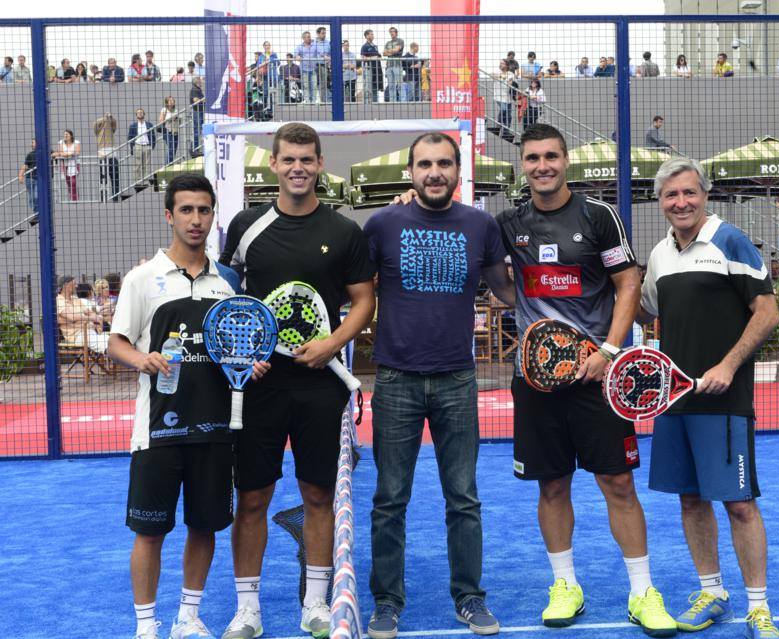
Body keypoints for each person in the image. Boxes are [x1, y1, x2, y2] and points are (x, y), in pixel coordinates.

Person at [496, 123, 676, 635]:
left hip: (597, 375)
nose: (542, 166)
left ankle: (643, 592)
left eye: (551, 156)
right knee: (551, 485)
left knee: (617, 482)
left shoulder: (599, 217)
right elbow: (496, 279)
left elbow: (627, 282)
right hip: (535, 381)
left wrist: (611, 350)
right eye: (532, 158)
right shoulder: (510, 222)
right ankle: (565, 586)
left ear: (565, 160)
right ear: (523, 165)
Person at [219, 122, 376, 639]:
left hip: (319, 387)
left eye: (307, 159)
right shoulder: (245, 226)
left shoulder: (344, 231)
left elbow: (364, 301)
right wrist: (245, 355)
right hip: (258, 387)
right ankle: (248, 609)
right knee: (254, 498)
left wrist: (332, 344)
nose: (298, 168)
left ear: (320, 163)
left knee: (317, 495)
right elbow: (228, 301)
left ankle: (315, 602)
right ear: (273, 164)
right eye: (288, 159)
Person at [363, 132, 515, 639]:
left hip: (457, 379)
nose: (435, 172)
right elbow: (355, 290)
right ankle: (386, 602)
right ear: (410, 172)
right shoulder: (382, 224)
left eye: (444, 163)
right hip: (396, 380)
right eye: (425, 164)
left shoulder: (481, 225)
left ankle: (469, 598)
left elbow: (509, 292)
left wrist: (581, 287)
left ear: (457, 170)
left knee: (463, 497)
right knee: (389, 498)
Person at [108, 174, 267, 639]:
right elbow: (116, 342)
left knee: (205, 527)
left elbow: (235, 343)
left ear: (213, 215)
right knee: (150, 532)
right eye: (186, 210)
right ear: (169, 215)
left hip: (216, 430)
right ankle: (145, 627)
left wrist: (248, 364)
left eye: (203, 210)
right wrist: (143, 359)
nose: (195, 220)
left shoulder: (228, 283)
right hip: (156, 431)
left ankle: (188, 618)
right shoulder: (142, 280)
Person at [636, 156, 779, 639]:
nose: (680, 202)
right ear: (660, 203)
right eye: (670, 195)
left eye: (688, 193)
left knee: (739, 504)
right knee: (691, 501)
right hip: (674, 401)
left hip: (725, 400)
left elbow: (767, 312)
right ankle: (712, 591)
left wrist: (727, 365)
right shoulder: (659, 254)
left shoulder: (730, 240)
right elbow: (644, 311)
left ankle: (758, 608)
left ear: (705, 195)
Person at [58, 275, 108, 353]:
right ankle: (115, 355)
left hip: (90, 331)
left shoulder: (75, 299)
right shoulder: (59, 301)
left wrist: (87, 317)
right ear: (66, 285)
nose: (76, 286)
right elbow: (72, 317)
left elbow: (91, 313)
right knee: (103, 343)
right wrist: (91, 318)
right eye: (74, 283)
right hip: (77, 335)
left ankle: (116, 355)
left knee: (110, 340)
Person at [128, 108, 157, 190]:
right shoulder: (133, 125)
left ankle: (145, 181)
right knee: (137, 165)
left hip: (147, 145)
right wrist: (131, 148)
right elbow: (130, 137)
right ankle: (137, 181)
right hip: (138, 145)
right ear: (136, 115)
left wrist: (152, 145)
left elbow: (153, 135)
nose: (140, 114)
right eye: (138, 113)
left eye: (141, 112)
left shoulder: (149, 124)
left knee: (146, 164)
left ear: (144, 114)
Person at [95, 112, 120, 202]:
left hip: (112, 153)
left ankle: (115, 197)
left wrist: (110, 117)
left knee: (115, 177)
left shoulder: (111, 127)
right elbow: (96, 124)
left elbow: (114, 123)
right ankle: (103, 198)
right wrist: (104, 118)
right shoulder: (98, 129)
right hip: (102, 153)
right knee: (103, 178)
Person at [52, 129, 80, 202]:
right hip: (65, 164)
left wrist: (67, 154)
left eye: (67, 134)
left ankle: (74, 199)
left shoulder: (76, 142)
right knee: (68, 182)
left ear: (71, 135)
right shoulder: (61, 142)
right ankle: (72, 195)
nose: (65, 135)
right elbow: (61, 153)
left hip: (74, 163)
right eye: (64, 134)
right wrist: (70, 154)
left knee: (73, 181)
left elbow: (77, 152)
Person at [295, 30, 322, 105]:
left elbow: (320, 53)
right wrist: (297, 57)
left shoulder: (315, 45)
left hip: (313, 69)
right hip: (304, 69)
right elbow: (296, 55)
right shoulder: (299, 47)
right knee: (306, 86)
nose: (309, 38)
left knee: (314, 85)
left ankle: (313, 101)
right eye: (307, 37)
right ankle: (307, 100)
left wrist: (325, 57)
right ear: (303, 38)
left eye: (310, 37)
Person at [494, 59, 517, 140]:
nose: (500, 65)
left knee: (507, 114)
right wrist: (501, 77)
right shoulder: (497, 73)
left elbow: (510, 83)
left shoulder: (511, 74)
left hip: (508, 98)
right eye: (500, 63)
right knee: (505, 112)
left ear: (507, 65)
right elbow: (492, 75)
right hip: (499, 97)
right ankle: (505, 131)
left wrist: (503, 79)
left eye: (502, 63)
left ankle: (498, 128)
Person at [361, 29, 384, 103]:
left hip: (377, 69)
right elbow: (363, 58)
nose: (372, 35)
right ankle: (367, 104)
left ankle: (375, 103)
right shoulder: (364, 46)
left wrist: (378, 57)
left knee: (375, 86)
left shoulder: (375, 46)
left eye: (373, 34)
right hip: (369, 69)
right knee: (368, 87)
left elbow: (379, 56)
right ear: (367, 36)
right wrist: (373, 58)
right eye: (371, 34)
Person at [383, 26, 405, 102]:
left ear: (396, 32)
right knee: (391, 85)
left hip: (397, 65)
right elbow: (384, 53)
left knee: (399, 84)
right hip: (389, 66)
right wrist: (393, 51)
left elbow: (396, 50)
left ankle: (403, 101)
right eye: (390, 32)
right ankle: (393, 102)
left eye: (393, 31)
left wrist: (389, 51)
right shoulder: (388, 43)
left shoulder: (400, 41)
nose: (391, 33)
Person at [158, 96, 182, 165]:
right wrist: (171, 119)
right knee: (171, 147)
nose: (172, 102)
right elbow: (161, 120)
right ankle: (168, 164)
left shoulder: (176, 110)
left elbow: (179, 120)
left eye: (173, 101)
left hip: (175, 130)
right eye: (170, 101)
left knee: (175, 147)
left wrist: (177, 119)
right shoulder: (164, 110)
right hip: (167, 131)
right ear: (167, 103)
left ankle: (170, 163)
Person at [18, 139, 38, 215]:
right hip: (29, 178)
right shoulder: (30, 154)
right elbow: (25, 166)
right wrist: (20, 176)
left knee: (36, 196)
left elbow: (56, 154)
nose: (31, 144)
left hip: (39, 179)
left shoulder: (45, 152)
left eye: (33, 143)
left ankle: (38, 213)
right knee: (31, 197)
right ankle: (36, 213)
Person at [190, 77, 204, 156]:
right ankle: (194, 149)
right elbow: (195, 100)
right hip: (197, 111)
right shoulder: (195, 89)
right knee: (196, 130)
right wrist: (204, 100)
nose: (201, 82)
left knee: (198, 130)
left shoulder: (198, 89)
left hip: (199, 111)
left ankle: (195, 148)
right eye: (200, 81)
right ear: (197, 82)